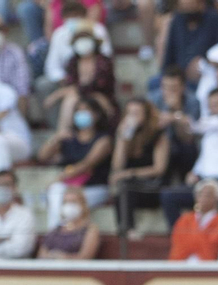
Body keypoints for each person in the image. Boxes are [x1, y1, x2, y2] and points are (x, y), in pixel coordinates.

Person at [161, 87, 218, 225]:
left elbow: (200, 126)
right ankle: (181, 237)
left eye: (217, 104)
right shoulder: (210, 127)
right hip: (206, 181)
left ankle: (217, 241)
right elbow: (205, 156)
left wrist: (178, 117)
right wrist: (195, 172)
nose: (214, 108)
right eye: (211, 105)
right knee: (169, 196)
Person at [36, 95, 110, 229]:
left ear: (97, 115)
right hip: (69, 186)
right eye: (78, 111)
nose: (81, 114)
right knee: (57, 191)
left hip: (94, 187)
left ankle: (58, 235)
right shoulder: (68, 137)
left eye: (86, 110)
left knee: (68, 200)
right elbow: (42, 156)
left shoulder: (103, 139)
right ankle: (55, 232)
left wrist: (61, 176)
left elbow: (87, 164)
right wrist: (56, 138)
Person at [109, 98, 169, 239]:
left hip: (153, 186)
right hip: (131, 185)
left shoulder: (158, 135)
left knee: (126, 186)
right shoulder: (127, 135)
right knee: (122, 189)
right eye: (129, 113)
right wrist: (122, 139)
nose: (132, 117)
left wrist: (129, 173)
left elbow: (159, 169)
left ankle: (128, 229)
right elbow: (117, 166)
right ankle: (125, 229)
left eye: (136, 113)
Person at [160, 0, 218, 88]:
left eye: (191, 6)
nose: (187, 10)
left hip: (204, 74)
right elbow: (170, 51)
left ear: (201, 3)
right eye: (184, 7)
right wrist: (166, 73)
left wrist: (203, 62)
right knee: (155, 83)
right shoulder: (177, 20)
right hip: (179, 74)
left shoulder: (215, 20)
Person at [168, 178, 218, 260]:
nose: (203, 198)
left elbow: (213, 247)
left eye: (208, 195)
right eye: (200, 194)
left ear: (217, 198)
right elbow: (178, 245)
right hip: (182, 265)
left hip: (208, 268)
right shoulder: (184, 219)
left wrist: (193, 241)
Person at [36, 186, 99, 258]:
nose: (69, 206)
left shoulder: (90, 230)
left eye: (73, 202)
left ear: (83, 205)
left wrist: (64, 257)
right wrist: (52, 256)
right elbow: (41, 255)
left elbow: (85, 257)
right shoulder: (55, 231)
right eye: (65, 202)